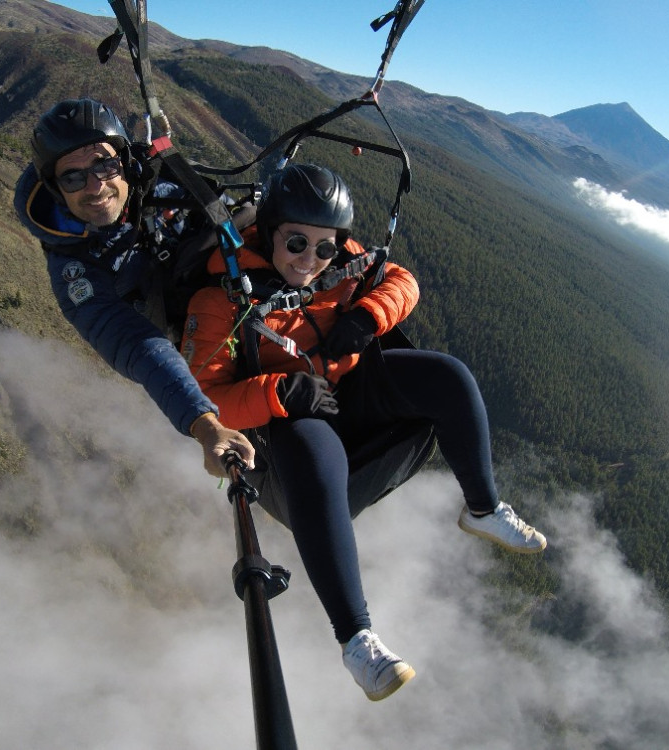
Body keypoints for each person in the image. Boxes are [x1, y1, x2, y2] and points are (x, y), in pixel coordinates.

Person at [181, 163, 547, 701]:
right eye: (297, 244)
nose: (311, 261)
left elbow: (403, 280)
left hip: (349, 386)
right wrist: (278, 392)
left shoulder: (346, 266)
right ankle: (357, 640)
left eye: (325, 249)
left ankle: (483, 508)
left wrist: (369, 315)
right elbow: (206, 399)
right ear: (270, 231)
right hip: (294, 418)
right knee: (310, 453)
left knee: (448, 377)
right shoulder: (220, 301)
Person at [13, 97, 254, 477]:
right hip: (202, 349)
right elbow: (136, 345)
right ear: (56, 188)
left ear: (124, 161)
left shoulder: (164, 176)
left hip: (240, 297)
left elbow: (229, 213)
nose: (95, 185)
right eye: (73, 177)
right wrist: (205, 425)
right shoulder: (74, 269)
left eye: (105, 164)